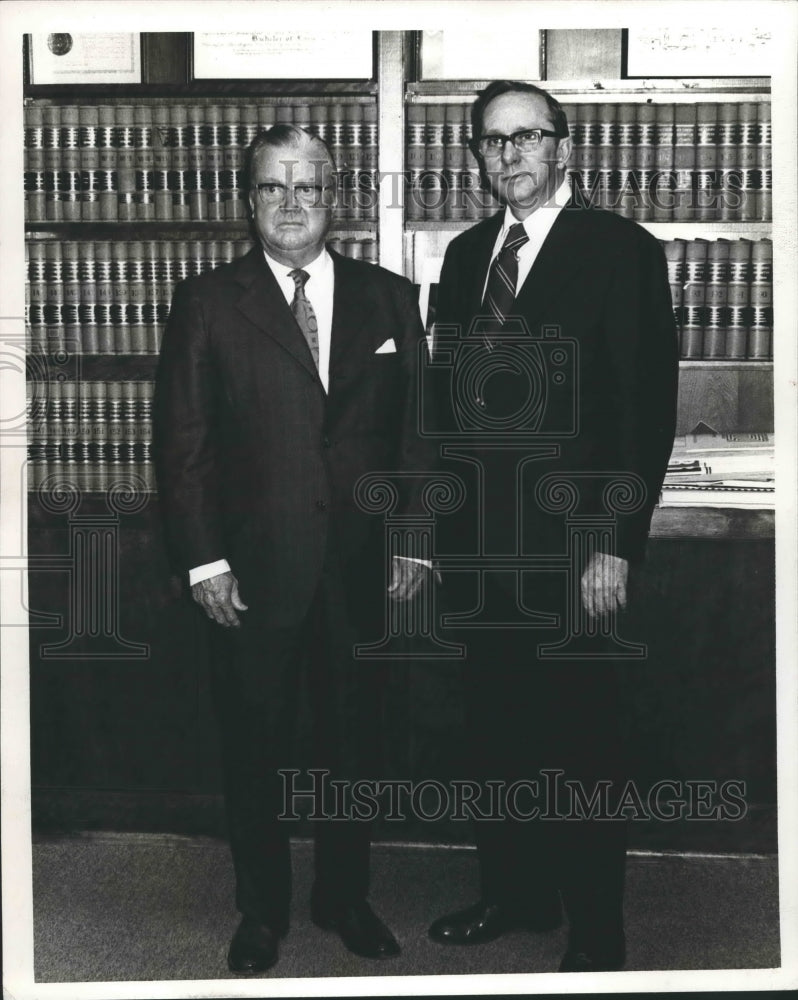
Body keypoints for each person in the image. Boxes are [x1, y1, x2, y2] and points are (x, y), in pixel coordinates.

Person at [154, 124, 435, 974]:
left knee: (353, 742)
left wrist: (414, 539)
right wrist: (205, 560)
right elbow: (183, 444)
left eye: (307, 186)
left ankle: (344, 895)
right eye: (272, 187)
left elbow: (418, 433)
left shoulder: (391, 299)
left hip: (362, 566)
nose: (290, 203)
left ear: (332, 198)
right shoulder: (208, 301)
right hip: (252, 570)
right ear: (249, 201)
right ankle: (262, 909)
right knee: (256, 745)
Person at [426, 81, 679, 972]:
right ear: (477, 156)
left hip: (577, 548)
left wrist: (614, 541)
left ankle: (597, 928)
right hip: (480, 549)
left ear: (563, 147)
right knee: (496, 734)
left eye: (527, 136)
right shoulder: (466, 257)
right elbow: (445, 409)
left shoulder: (620, 249)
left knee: (584, 744)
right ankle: (516, 892)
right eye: (493, 141)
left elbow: (644, 409)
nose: (510, 154)